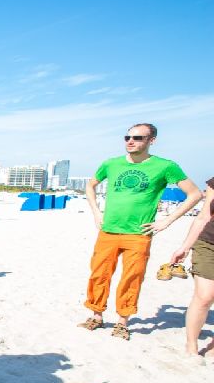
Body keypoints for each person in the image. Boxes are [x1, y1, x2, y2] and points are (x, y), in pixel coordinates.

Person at [80, 123, 200, 340]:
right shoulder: (111, 164)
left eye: (137, 138)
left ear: (151, 140)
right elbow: (90, 185)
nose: (130, 141)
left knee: (132, 278)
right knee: (99, 274)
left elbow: (195, 194)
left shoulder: (165, 166)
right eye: (127, 137)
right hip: (108, 231)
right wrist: (96, 212)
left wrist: (167, 220)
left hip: (138, 234)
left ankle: (122, 322)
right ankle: (96, 315)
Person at [170, 176, 214, 358]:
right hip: (209, 244)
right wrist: (185, 247)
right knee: (205, 296)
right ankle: (192, 345)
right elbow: (203, 217)